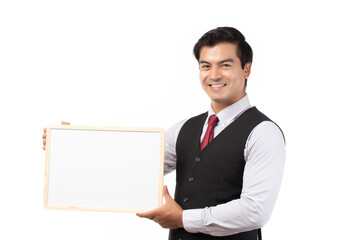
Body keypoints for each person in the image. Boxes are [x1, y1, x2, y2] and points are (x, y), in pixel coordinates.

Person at [42, 27, 285, 240]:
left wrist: (183, 219)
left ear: (247, 69)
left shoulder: (263, 133)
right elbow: (135, 168)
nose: (214, 75)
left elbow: (255, 211)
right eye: (205, 66)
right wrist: (73, 147)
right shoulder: (184, 129)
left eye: (225, 65)